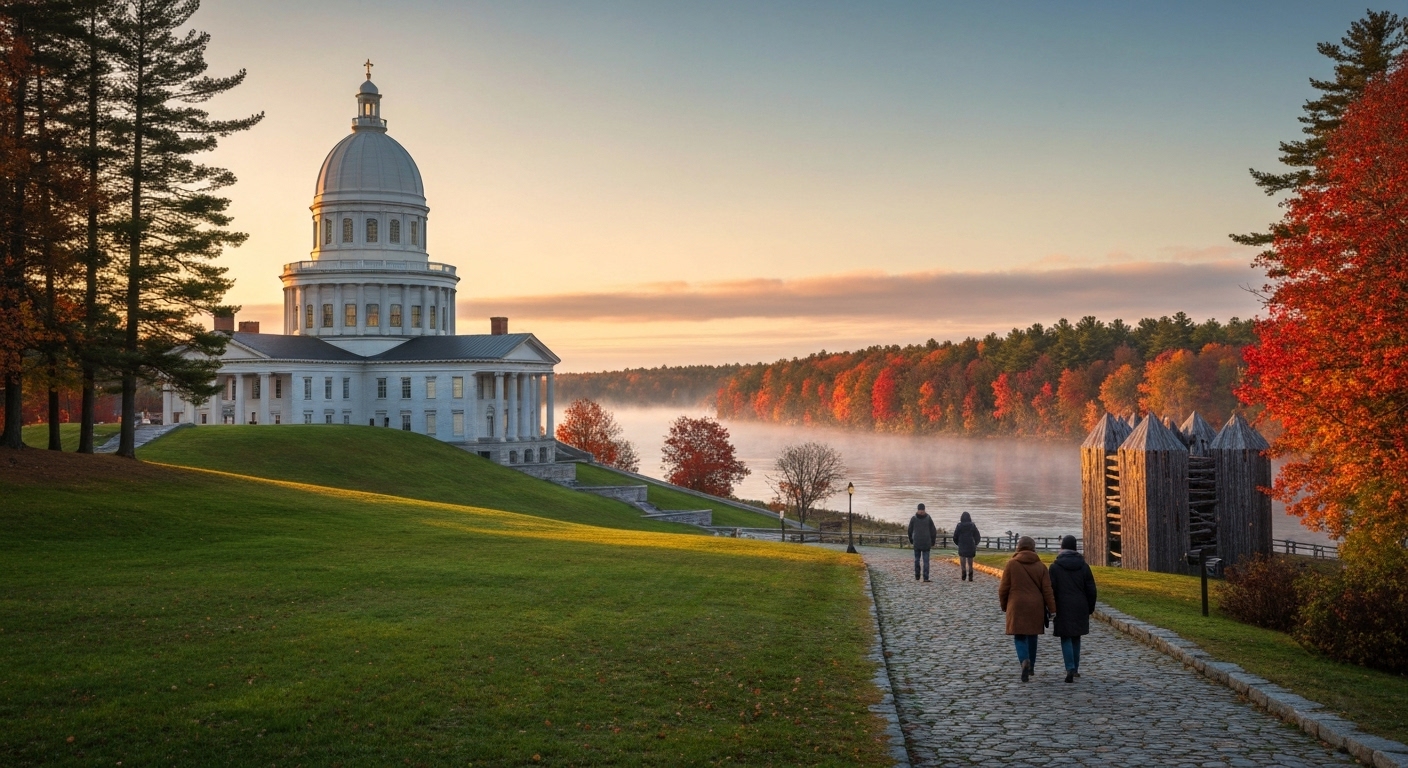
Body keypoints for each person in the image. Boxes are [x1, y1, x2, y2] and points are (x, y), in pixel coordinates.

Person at [998, 536, 1056, 682]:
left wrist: (1004, 605)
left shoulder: (1011, 564)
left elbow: (1003, 588)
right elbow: (1047, 590)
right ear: (1033, 548)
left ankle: (1024, 660)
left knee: (1019, 636)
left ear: (1019, 547)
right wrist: (1052, 608)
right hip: (1035, 605)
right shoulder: (1041, 566)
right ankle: (1031, 667)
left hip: (1016, 604)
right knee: (1032, 636)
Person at [1048, 534, 1097, 683]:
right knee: (1076, 636)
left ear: (1062, 547)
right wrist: (1090, 607)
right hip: (1080, 604)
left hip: (1063, 605)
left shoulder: (1055, 567)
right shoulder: (1084, 566)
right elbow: (1091, 589)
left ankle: (1069, 667)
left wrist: (1051, 608)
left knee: (1065, 637)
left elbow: (1051, 589)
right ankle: (1075, 668)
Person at [907, 503, 937, 582]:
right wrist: (911, 539)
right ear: (918, 510)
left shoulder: (917, 518)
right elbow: (910, 530)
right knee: (919, 560)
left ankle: (924, 577)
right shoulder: (924, 518)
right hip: (919, 542)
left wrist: (933, 540)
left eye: (922, 510)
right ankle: (919, 576)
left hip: (923, 542)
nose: (921, 511)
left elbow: (933, 530)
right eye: (920, 510)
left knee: (924, 561)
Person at [953, 511, 980, 581]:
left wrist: (958, 543)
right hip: (970, 544)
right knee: (970, 561)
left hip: (962, 544)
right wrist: (975, 543)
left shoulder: (959, 526)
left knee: (962, 560)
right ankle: (970, 575)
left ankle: (963, 573)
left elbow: (955, 536)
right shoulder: (972, 525)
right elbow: (977, 535)